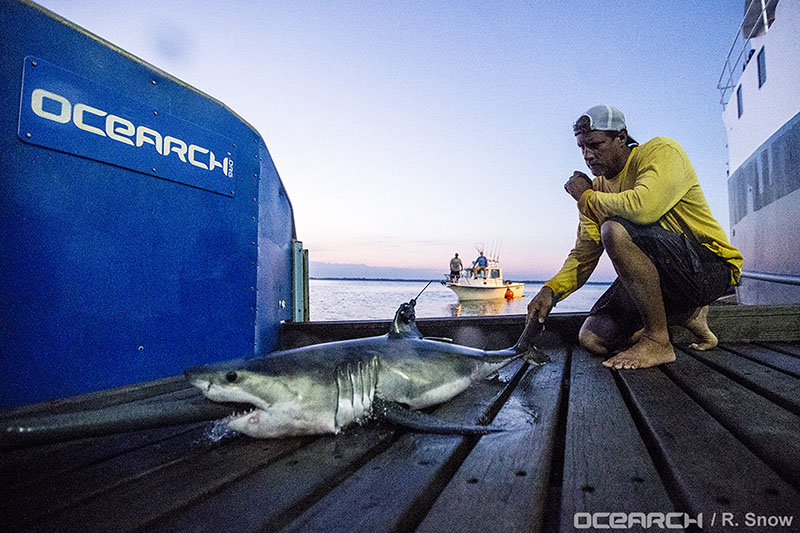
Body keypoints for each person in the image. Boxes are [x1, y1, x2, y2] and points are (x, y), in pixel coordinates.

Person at [527, 105, 743, 370]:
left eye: (595, 144)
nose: (587, 156)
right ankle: (685, 315)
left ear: (621, 137)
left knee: (614, 231)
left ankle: (658, 340)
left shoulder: (662, 152)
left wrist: (586, 197)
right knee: (592, 337)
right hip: (666, 278)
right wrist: (550, 291)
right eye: (582, 147)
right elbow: (584, 254)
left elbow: (643, 206)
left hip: (709, 267)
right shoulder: (597, 191)